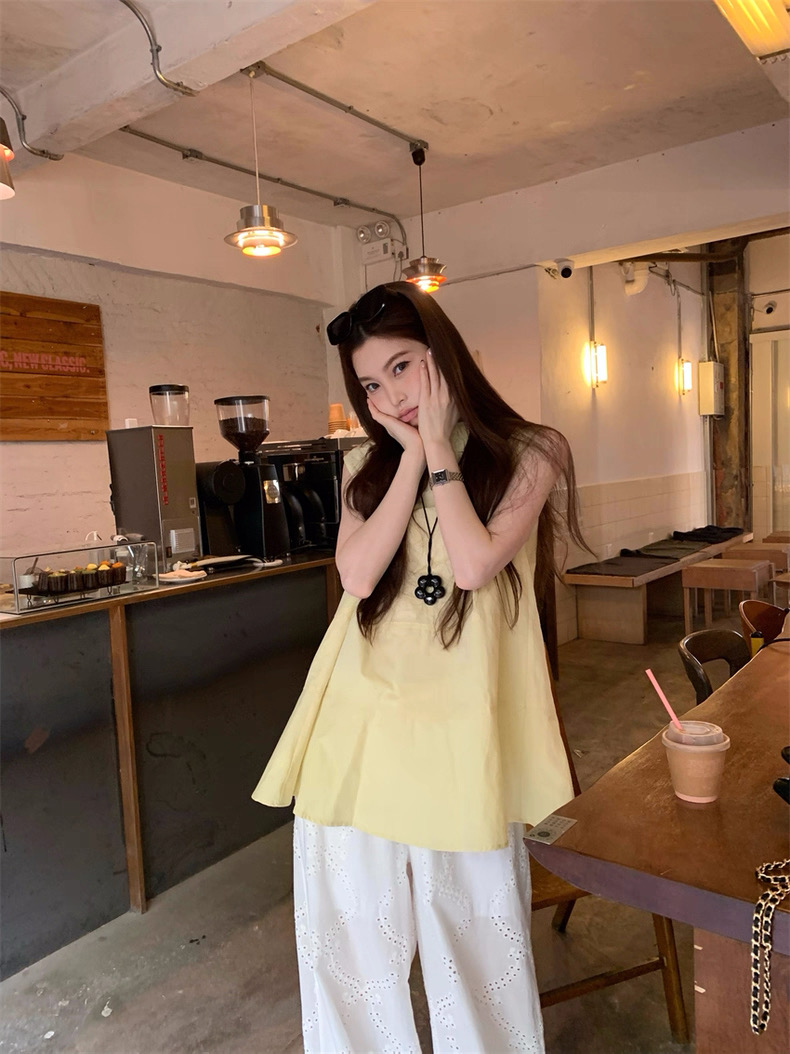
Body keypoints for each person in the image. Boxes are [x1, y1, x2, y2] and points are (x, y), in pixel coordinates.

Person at [252, 281, 587, 1053]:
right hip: (357, 733)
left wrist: (438, 447)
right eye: (371, 385)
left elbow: (471, 564)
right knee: (350, 951)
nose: (389, 396)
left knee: (479, 948)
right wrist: (406, 457)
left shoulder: (531, 452)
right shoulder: (365, 469)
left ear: (444, 353)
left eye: (402, 367)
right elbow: (359, 576)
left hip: (461, 737)